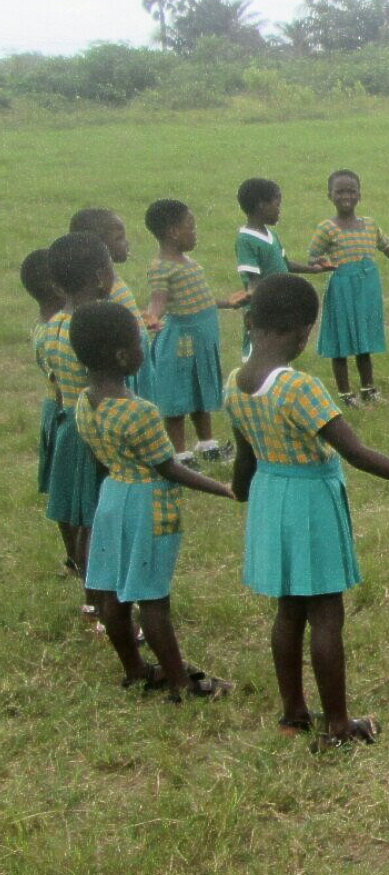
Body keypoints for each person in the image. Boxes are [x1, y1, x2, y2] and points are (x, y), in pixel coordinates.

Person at [226, 274, 389, 749]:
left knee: (288, 612)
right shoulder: (299, 388)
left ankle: (293, 713)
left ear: (250, 321)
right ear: (305, 332)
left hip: (271, 497)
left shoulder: (234, 384)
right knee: (326, 615)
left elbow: (244, 460)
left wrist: (241, 493)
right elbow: (357, 452)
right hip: (309, 504)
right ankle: (338, 726)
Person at [72, 300, 236, 699]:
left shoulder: (84, 403)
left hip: (112, 500)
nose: (145, 347)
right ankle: (181, 684)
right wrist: (225, 489)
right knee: (153, 598)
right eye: (139, 342)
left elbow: (102, 459)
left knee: (114, 593)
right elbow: (169, 468)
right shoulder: (139, 411)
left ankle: (135, 671)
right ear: (122, 355)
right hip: (147, 506)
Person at [309, 169, 389, 407]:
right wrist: (320, 265)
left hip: (367, 289)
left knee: (364, 340)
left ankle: (369, 389)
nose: (346, 196)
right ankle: (346, 395)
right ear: (330, 195)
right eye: (340, 191)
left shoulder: (370, 225)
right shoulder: (326, 228)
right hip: (342, 290)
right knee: (341, 342)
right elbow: (312, 258)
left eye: (351, 191)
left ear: (359, 195)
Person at [42, 233, 116, 623]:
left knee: (87, 519)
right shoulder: (93, 326)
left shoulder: (51, 325)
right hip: (95, 426)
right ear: (103, 276)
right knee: (95, 522)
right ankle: (101, 605)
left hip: (68, 421)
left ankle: (94, 600)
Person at [143, 199, 236, 463]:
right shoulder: (161, 267)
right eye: (191, 227)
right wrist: (151, 318)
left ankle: (207, 445)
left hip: (202, 340)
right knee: (178, 396)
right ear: (173, 232)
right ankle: (180, 453)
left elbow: (202, 298)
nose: (195, 233)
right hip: (182, 343)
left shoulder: (188, 263)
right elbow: (159, 300)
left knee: (200, 390)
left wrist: (227, 303)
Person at [24, 248, 81, 579]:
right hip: (64, 411)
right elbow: (63, 385)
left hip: (54, 411)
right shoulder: (56, 332)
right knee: (69, 492)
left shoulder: (43, 325)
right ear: (59, 287)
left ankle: (74, 557)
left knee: (62, 490)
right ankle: (77, 558)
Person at [231, 178, 327, 360]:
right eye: (277, 205)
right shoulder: (246, 240)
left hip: (280, 304)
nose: (279, 210)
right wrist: (252, 296)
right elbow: (253, 280)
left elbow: (285, 264)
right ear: (261, 206)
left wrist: (313, 269)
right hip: (264, 307)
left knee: (280, 348)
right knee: (259, 350)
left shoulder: (271, 234)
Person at [69, 208, 154, 399]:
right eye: (119, 238)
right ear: (97, 248)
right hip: (124, 365)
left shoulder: (109, 280)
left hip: (134, 354)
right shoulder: (102, 289)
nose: (127, 243)